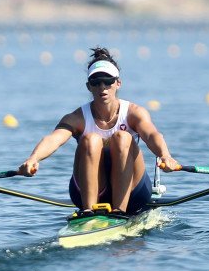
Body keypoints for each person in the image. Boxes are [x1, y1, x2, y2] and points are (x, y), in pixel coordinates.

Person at [18, 47, 179, 216]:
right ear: (89, 86)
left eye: (107, 81)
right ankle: (88, 212)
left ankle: (119, 211)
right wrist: (33, 159)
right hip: (88, 193)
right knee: (90, 140)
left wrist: (165, 155)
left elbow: (152, 135)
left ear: (118, 83)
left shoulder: (134, 113)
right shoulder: (77, 118)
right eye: (96, 82)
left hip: (133, 193)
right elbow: (53, 139)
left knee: (122, 138)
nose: (102, 87)